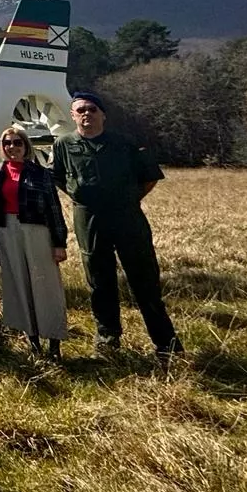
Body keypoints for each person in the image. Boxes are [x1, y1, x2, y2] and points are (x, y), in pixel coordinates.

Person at [52, 91, 183, 363]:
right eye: (80, 110)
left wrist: (128, 200)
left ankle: (166, 344)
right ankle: (107, 339)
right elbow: (59, 178)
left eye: (92, 109)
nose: (86, 114)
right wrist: (81, 195)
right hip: (89, 219)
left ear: (103, 115)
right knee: (99, 281)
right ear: (73, 115)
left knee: (144, 279)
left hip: (127, 218)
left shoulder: (124, 143)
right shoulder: (63, 144)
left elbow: (149, 177)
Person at [0, 125, 69, 357]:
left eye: (17, 142)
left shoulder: (40, 173)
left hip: (37, 231)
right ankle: (32, 342)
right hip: (7, 232)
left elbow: (54, 209)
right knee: (18, 286)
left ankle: (54, 342)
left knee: (46, 286)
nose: (12, 147)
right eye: (7, 143)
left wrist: (59, 242)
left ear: (26, 146)